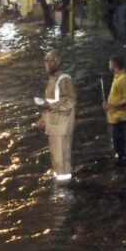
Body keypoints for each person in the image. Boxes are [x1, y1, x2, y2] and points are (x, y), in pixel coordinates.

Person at [35, 49, 77, 182]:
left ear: (57, 62)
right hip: (54, 125)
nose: (47, 64)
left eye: (49, 61)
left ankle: (64, 189)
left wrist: (50, 106)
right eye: (46, 61)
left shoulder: (64, 80)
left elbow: (71, 101)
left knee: (62, 158)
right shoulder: (52, 80)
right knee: (56, 158)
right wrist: (43, 119)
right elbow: (52, 102)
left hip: (61, 126)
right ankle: (59, 184)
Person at [102, 54, 126, 161]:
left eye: (110, 63)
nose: (108, 64)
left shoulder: (123, 78)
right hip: (114, 116)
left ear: (114, 64)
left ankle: (121, 161)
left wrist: (110, 105)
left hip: (119, 118)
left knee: (119, 144)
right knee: (116, 142)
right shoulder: (117, 76)